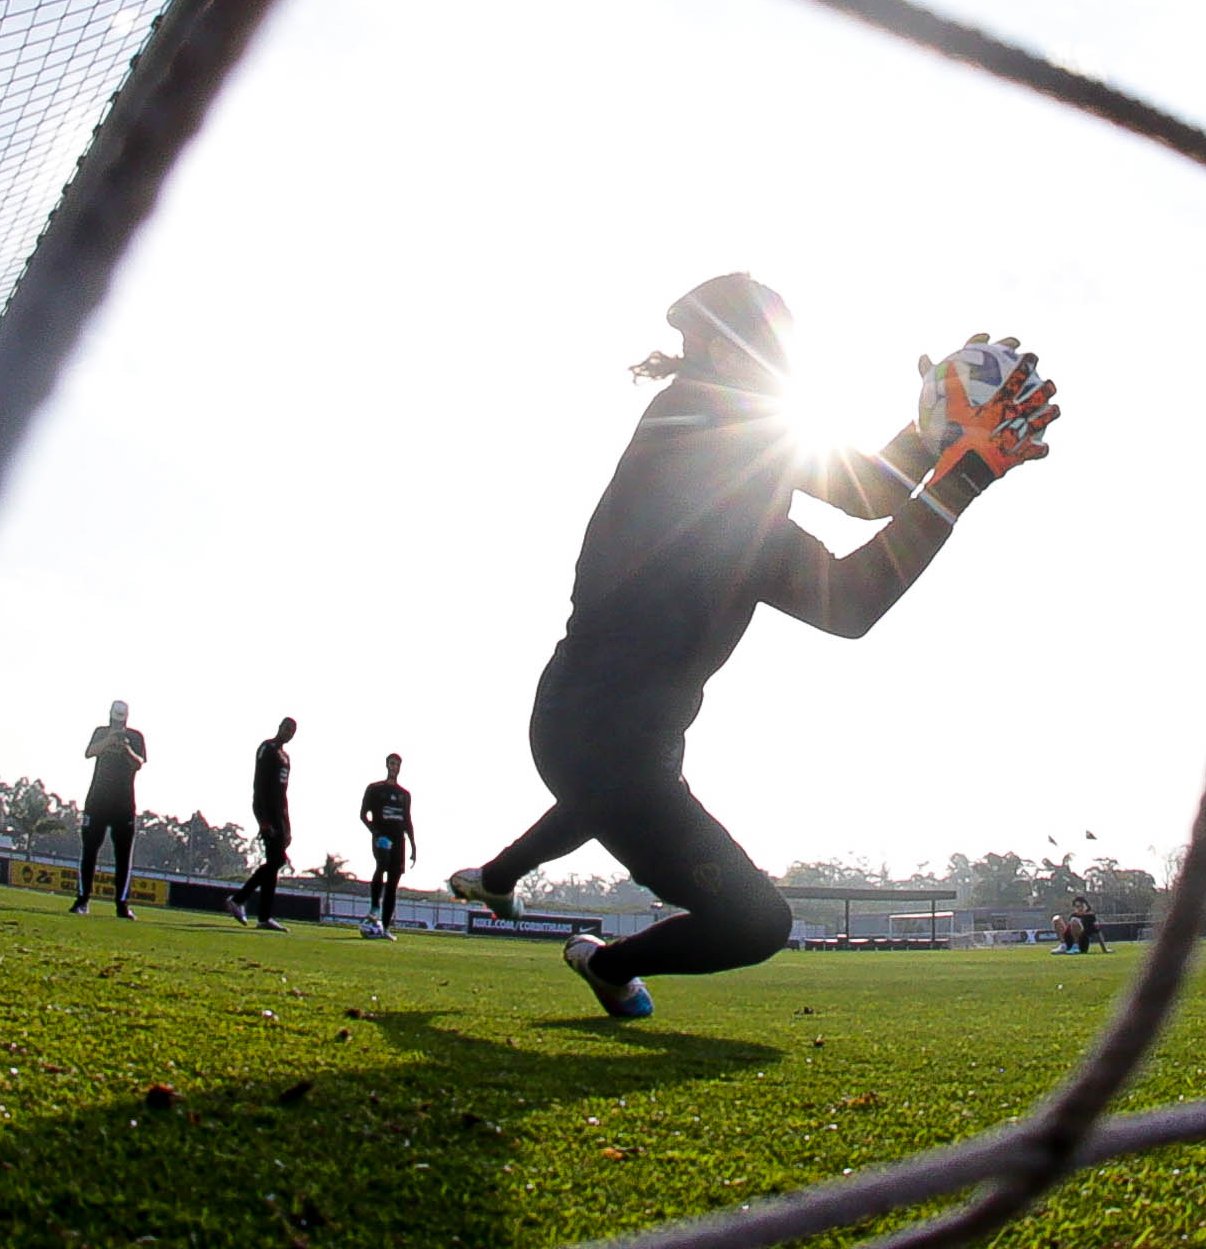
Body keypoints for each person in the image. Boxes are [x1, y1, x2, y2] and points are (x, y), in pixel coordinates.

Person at [446, 275, 1058, 1020]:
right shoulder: (698, 426)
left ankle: (510, 883)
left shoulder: (725, 453)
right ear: (712, 351)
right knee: (755, 921)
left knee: (608, 799)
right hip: (596, 734)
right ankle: (606, 962)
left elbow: (863, 494)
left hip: (618, 736)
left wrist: (939, 436)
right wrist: (957, 462)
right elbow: (854, 590)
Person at [74, 700, 145, 919]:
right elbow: (89, 752)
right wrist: (108, 742)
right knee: (89, 851)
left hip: (123, 804)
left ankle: (122, 904)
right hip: (97, 800)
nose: (117, 721)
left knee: (123, 856)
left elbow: (140, 762)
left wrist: (126, 749)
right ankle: (83, 899)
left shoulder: (135, 737)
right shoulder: (100, 732)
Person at [229, 714, 293, 930]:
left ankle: (264, 917)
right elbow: (260, 785)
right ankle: (238, 899)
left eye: (292, 731)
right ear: (280, 727)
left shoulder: (286, 757)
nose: (288, 734)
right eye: (286, 729)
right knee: (277, 860)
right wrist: (264, 820)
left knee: (274, 863)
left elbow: (284, 793)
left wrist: (286, 825)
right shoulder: (268, 749)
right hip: (266, 811)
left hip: (279, 815)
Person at [360, 753, 415, 938]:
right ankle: (374, 908)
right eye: (391, 763)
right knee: (381, 865)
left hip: (399, 840)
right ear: (386, 765)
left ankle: (385, 927)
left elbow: (407, 820)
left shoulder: (404, 794)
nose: (394, 767)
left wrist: (414, 846)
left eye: (397, 764)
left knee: (393, 881)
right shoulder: (375, 789)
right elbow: (363, 815)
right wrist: (374, 832)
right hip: (382, 837)